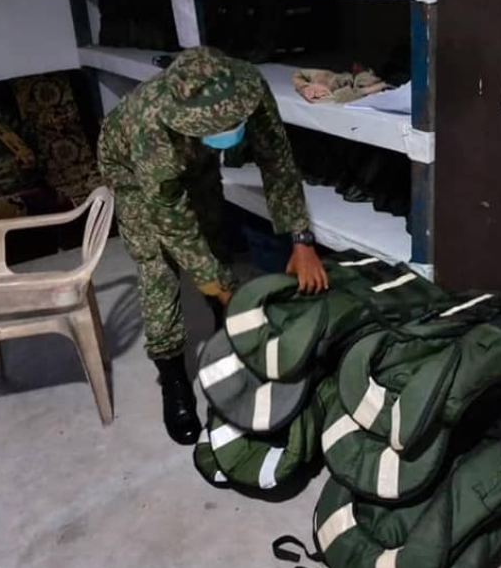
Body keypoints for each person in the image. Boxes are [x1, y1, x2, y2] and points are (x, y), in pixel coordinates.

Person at [98, 46, 329, 445]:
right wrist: (212, 281)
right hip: (136, 174)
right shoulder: (149, 126)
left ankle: (230, 331)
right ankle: (172, 379)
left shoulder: (248, 87)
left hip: (194, 156)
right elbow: (172, 219)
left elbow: (277, 161)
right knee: (159, 266)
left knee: (215, 237)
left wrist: (301, 239)